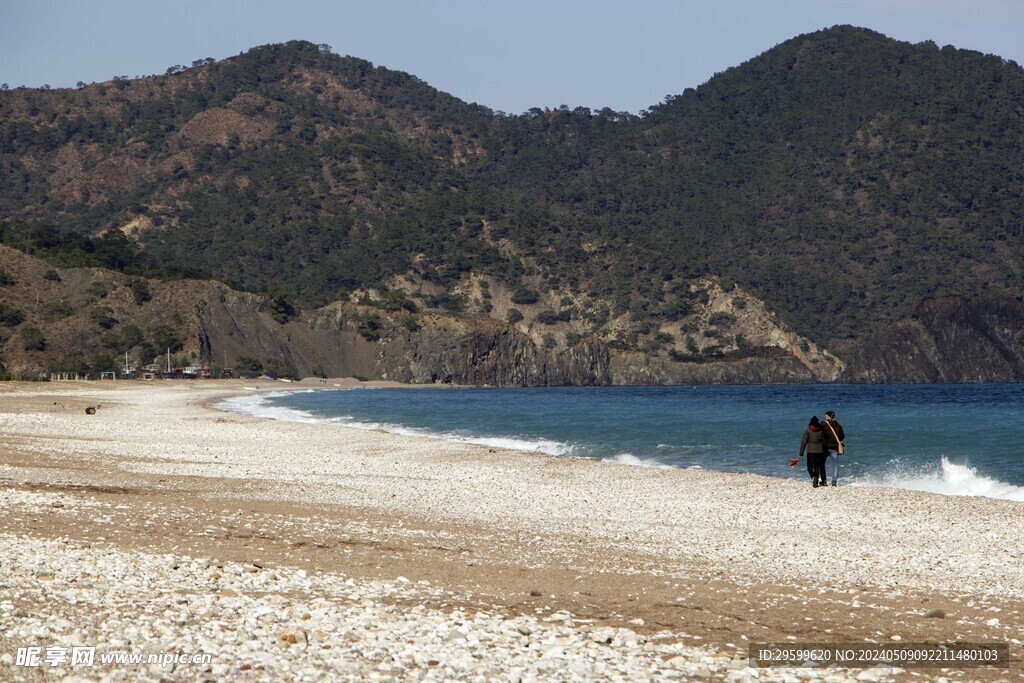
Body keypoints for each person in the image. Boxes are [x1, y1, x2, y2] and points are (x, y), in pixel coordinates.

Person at [798, 416, 828, 487]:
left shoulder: (808, 431)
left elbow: (803, 443)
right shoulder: (820, 431)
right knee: (817, 466)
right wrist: (825, 452)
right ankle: (816, 481)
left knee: (810, 466)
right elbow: (824, 443)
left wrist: (801, 453)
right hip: (819, 451)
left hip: (810, 451)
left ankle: (813, 477)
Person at [822, 410, 845, 486]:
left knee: (821, 464)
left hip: (825, 448)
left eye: (826, 415)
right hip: (834, 448)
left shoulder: (824, 424)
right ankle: (834, 482)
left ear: (828, 416)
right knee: (835, 465)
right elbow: (842, 436)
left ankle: (824, 481)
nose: (825, 417)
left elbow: (820, 434)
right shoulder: (838, 425)